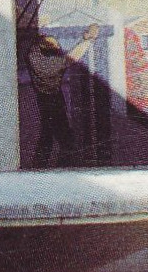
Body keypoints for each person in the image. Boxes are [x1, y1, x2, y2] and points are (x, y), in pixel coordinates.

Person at [26, 23, 101, 169]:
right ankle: (63, 169)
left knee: (47, 135)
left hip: (44, 98)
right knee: (65, 139)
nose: (58, 45)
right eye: (55, 45)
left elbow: (47, 45)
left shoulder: (32, 54)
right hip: (52, 100)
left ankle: (39, 168)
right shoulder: (52, 64)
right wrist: (88, 40)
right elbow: (71, 57)